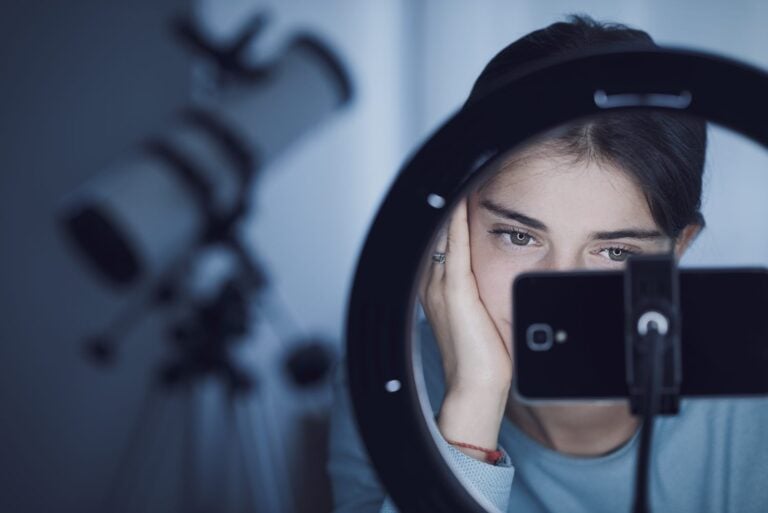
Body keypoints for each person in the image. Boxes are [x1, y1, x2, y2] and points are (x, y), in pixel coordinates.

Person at [327, 14, 768, 513]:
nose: (561, 292)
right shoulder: (391, 378)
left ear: (678, 249)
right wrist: (469, 413)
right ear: (453, 227)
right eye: (518, 236)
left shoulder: (756, 410)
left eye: (616, 252)